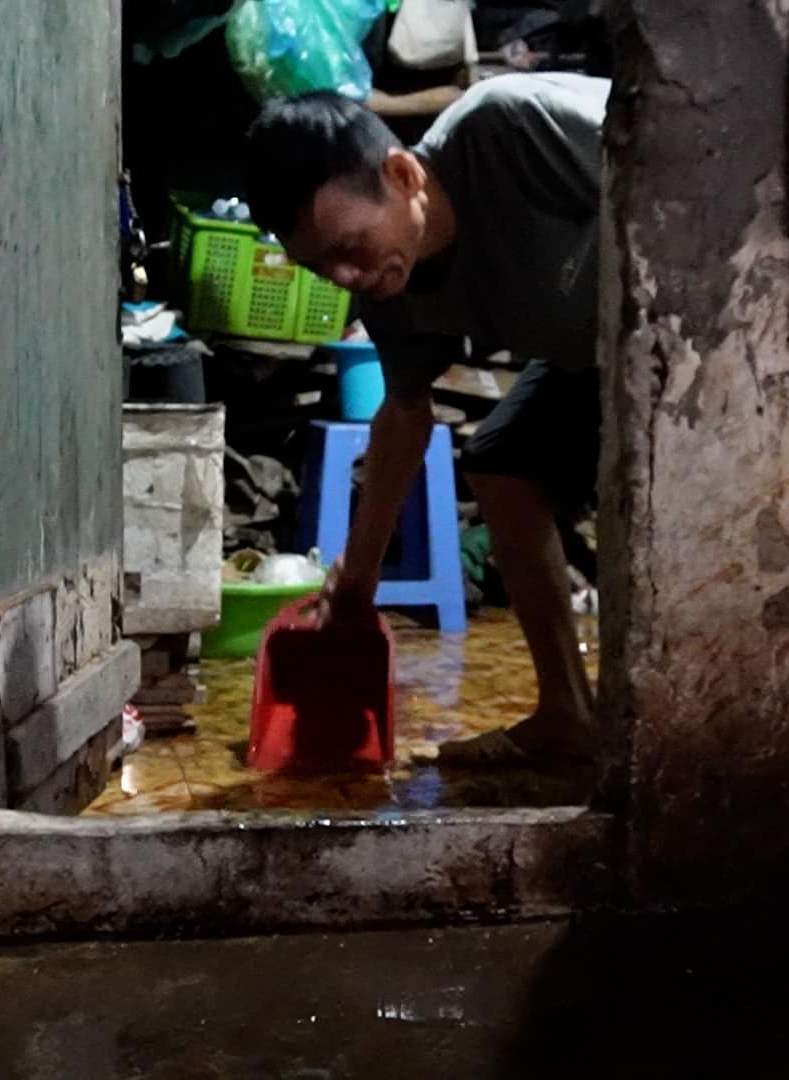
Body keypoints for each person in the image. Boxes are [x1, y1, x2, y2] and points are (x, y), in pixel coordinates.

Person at [243, 73, 609, 765]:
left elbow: (694, 172)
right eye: (322, 268)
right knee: (502, 462)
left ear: (403, 173)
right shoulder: (395, 289)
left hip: (697, 330)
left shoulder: (510, 127)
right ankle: (568, 715)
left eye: (349, 247)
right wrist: (359, 578)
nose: (346, 278)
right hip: (591, 362)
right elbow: (405, 413)